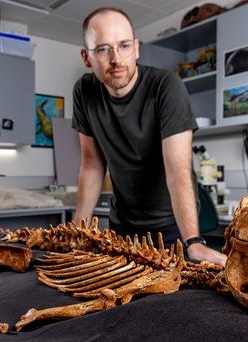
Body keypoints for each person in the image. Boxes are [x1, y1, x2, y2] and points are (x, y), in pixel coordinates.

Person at [71, 7, 227, 266]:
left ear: (137, 48)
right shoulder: (84, 92)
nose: (116, 58)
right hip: (121, 228)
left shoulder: (166, 87)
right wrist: (76, 231)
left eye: (124, 46)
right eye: (103, 49)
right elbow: (91, 165)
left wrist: (193, 242)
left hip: (171, 230)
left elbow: (178, 170)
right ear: (86, 57)